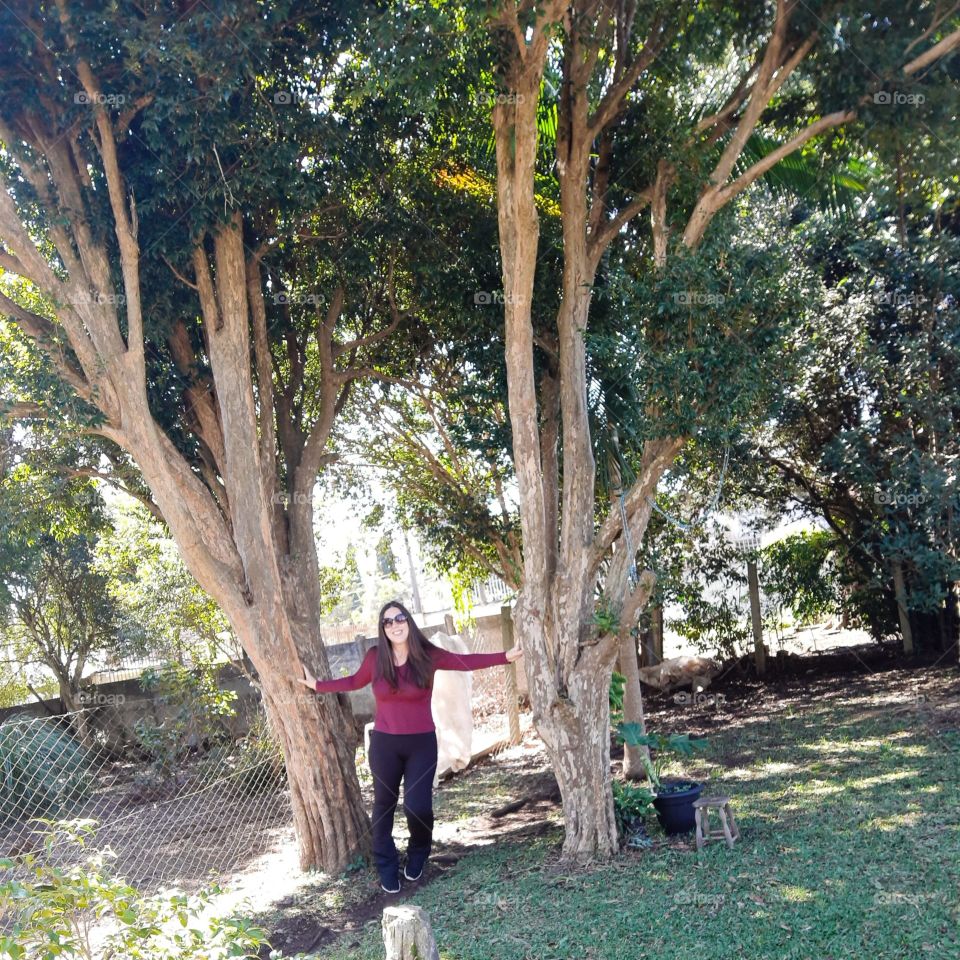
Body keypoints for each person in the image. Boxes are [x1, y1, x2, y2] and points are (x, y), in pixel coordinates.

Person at [293, 599, 523, 893]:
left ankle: (418, 853)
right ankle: (386, 867)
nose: (395, 624)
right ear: (383, 628)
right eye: (388, 621)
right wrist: (318, 685)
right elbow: (353, 682)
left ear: (409, 622)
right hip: (385, 746)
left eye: (400, 618)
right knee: (383, 809)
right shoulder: (376, 657)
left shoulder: (427, 655)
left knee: (418, 807)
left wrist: (506, 656)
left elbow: (464, 661)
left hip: (421, 745)